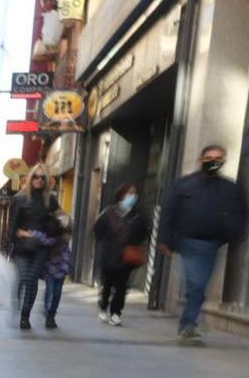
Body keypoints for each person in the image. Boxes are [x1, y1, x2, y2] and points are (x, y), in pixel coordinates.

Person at [159, 144, 248, 343]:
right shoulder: (183, 185)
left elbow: (240, 214)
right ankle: (189, 325)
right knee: (196, 284)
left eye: (218, 158)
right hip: (187, 242)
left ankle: (187, 325)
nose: (213, 162)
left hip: (212, 244)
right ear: (201, 160)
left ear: (223, 162)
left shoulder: (230, 188)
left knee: (197, 286)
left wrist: (232, 236)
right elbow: (169, 212)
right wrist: (165, 239)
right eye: (209, 157)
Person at [8, 166, 60, 330]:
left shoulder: (50, 200)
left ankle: (25, 316)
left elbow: (60, 222)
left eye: (42, 178)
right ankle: (18, 304)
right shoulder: (20, 198)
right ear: (30, 178)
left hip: (40, 248)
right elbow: (12, 227)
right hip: (22, 247)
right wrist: (21, 232)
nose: (39, 180)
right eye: (36, 177)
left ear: (46, 181)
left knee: (32, 281)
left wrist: (63, 222)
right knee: (24, 277)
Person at [92, 183, 148, 326]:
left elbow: (144, 234)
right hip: (109, 256)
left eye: (134, 194)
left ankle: (116, 312)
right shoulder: (108, 213)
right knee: (107, 284)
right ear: (122, 195)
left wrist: (133, 244)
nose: (133, 196)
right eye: (130, 193)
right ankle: (103, 306)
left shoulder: (138, 216)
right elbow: (98, 231)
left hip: (127, 257)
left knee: (122, 287)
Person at [36, 211, 72, 330]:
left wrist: (67, 268)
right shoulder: (52, 238)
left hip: (61, 270)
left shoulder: (65, 243)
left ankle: (51, 313)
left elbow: (67, 255)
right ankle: (48, 313)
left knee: (56, 293)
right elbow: (43, 239)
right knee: (50, 291)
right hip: (50, 269)